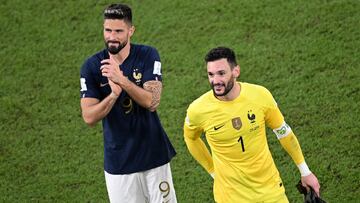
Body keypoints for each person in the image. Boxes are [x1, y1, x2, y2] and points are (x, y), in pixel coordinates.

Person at [183, 47, 321, 203]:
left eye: (221, 73)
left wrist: (305, 171)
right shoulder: (198, 110)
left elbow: (284, 133)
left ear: (236, 71)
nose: (215, 81)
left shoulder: (260, 96)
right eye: (211, 74)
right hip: (230, 196)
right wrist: (213, 171)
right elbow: (190, 138)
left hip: (270, 191)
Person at [79, 3, 177, 203]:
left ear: (131, 31)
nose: (112, 36)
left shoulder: (148, 55)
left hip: (154, 157)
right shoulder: (91, 66)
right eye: (108, 30)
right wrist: (113, 95)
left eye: (118, 31)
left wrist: (122, 80)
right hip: (119, 164)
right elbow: (89, 117)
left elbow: (152, 101)